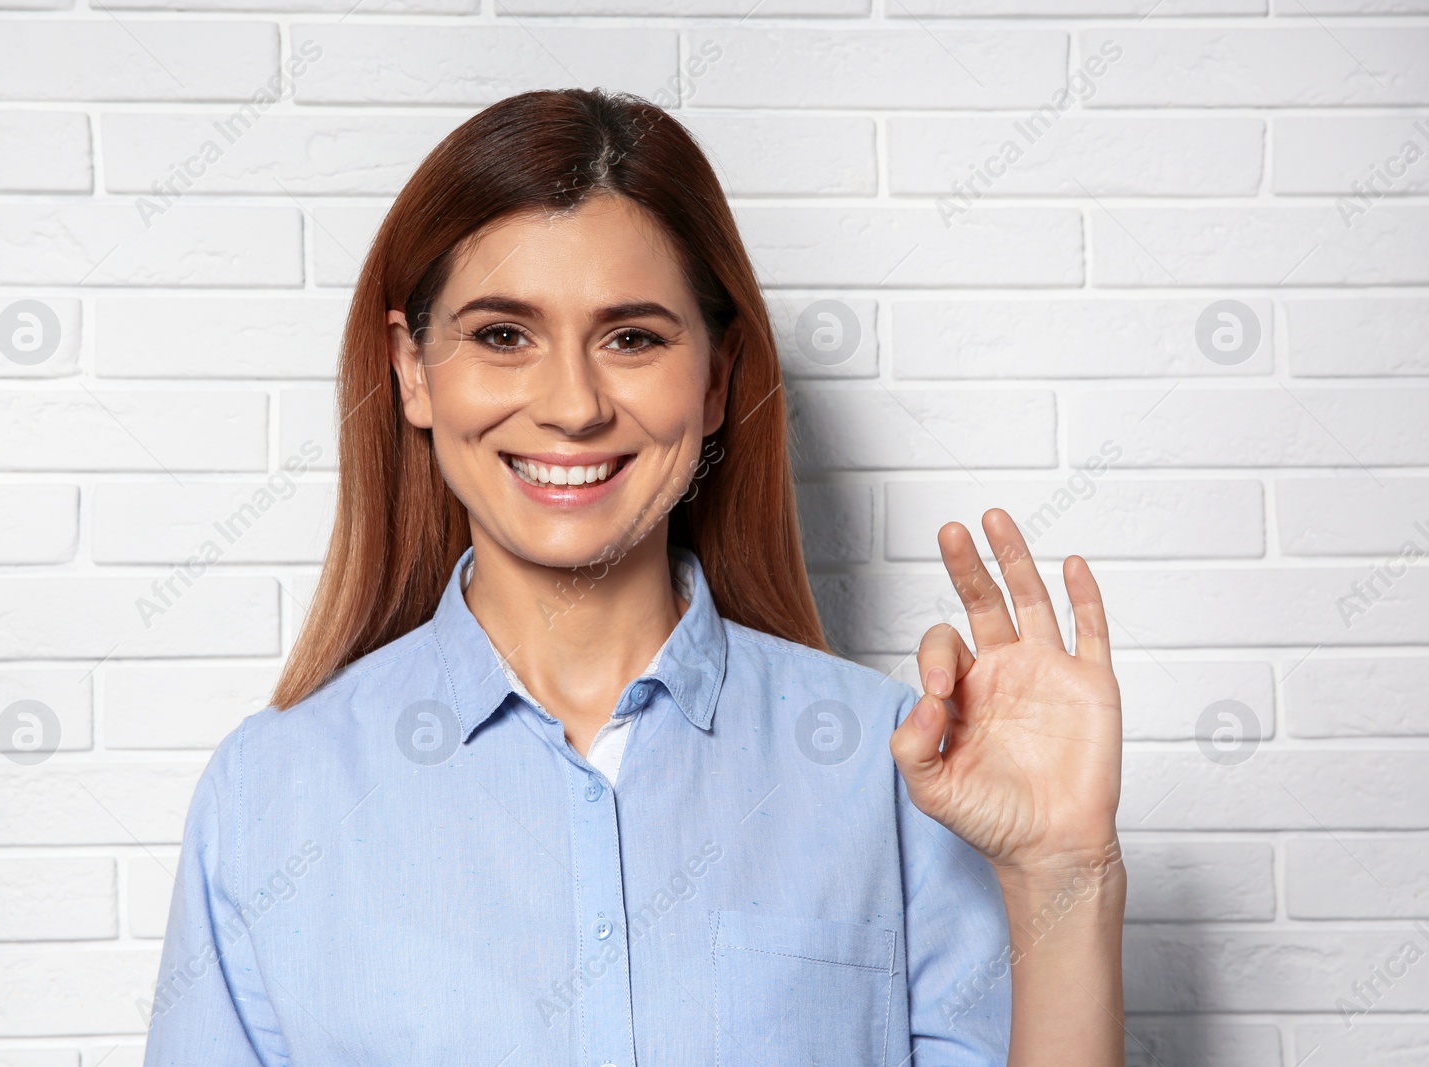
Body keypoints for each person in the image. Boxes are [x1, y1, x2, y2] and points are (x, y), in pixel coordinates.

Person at [142, 88, 1125, 1067]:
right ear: (411, 371)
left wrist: (1061, 873)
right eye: (501, 334)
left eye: (632, 338)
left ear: (716, 377)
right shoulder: (271, 794)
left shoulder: (901, 769)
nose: (572, 405)